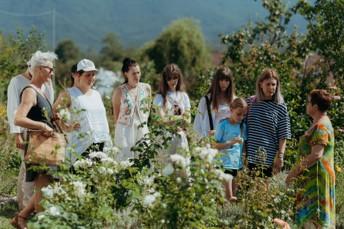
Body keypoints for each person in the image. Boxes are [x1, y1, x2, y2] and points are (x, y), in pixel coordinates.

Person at [10, 50, 58, 229]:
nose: (52, 73)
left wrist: (53, 119)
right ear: (38, 69)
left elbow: (41, 116)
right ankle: (35, 221)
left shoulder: (42, 91)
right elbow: (18, 118)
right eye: (49, 69)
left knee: (48, 185)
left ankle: (21, 217)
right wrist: (42, 126)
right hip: (38, 146)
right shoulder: (30, 91)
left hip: (47, 145)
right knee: (44, 187)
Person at [286, 89, 335, 228]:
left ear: (315, 107)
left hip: (316, 180)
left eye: (308, 102)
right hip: (311, 178)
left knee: (314, 220)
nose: (306, 105)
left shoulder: (321, 126)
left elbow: (316, 154)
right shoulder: (319, 122)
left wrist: (293, 172)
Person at [54, 59, 111, 164]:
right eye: (87, 75)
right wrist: (66, 127)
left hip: (101, 142)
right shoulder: (69, 93)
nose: (91, 78)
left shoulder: (96, 94)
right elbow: (54, 113)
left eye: (93, 74)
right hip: (81, 146)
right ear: (78, 75)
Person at [246, 68, 291, 177]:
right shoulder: (250, 102)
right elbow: (239, 125)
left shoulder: (280, 106)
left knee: (263, 191)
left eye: (274, 84)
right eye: (268, 84)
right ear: (261, 84)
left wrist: (280, 156)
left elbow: (283, 134)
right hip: (248, 156)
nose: (271, 88)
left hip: (268, 158)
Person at [112, 58, 151, 161]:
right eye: (133, 73)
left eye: (138, 73)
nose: (137, 76)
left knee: (144, 158)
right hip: (125, 131)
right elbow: (116, 115)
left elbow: (148, 109)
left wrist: (144, 124)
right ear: (126, 74)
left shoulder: (146, 88)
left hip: (142, 129)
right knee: (125, 160)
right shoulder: (120, 91)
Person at [214, 98, 247, 201]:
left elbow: (243, 146)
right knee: (229, 197)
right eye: (238, 114)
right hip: (224, 163)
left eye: (244, 115)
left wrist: (244, 160)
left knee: (234, 196)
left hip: (237, 165)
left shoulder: (242, 126)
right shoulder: (223, 124)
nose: (241, 117)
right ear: (231, 110)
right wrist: (231, 142)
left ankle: (229, 215)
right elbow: (214, 145)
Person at [153, 63, 191, 154]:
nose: (172, 81)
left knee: (181, 166)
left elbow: (188, 120)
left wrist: (172, 120)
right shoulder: (159, 97)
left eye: (175, 77)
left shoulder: (184, 96)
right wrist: (181, 118)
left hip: (181, 137)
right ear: (165, 80)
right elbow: (162, 120)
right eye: (169, 78)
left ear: (179, 77)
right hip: (164, 139)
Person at [193, 66, 235, 138]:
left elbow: (237, 125)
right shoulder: (206, 100)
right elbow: (197, 126)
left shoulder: (234, 101)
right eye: (221, 80)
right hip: (209, 144)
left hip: (227, 144)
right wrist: (203, 139)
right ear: (216, 81)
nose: (224, 83)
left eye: (227, 80)